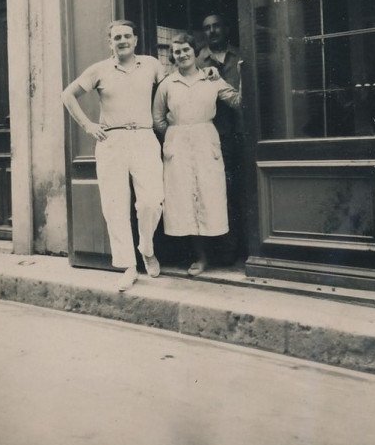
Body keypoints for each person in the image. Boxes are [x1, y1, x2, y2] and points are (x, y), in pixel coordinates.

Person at [61, 20, 165, 292]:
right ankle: (129, 266)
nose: (122, 41)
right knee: (115, 206)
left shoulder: (152, 64)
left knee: (151, 202)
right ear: (110, 42)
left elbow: (170, 89)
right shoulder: (99, 70)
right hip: (112, 140)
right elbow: (68, 95)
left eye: (127, 36)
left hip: (144, 136)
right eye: (116, 37)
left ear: (135, 39)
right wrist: (88, 126)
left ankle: (146, 246)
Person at [153, 31, 242, 276]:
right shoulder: (167, 84)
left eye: (186, 50)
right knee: (184, 200)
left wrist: (245, 73)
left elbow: (237, 101)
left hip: (206, 142)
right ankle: (200, 257)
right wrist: (173, 138)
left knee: (210, 197)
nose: (181, 55)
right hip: (178, 144)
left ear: (195, 52)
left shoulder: (210, 79)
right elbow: (158, 119)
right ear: (172, 55)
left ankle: (222, 255)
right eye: (177, 51)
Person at [196, 14, 245, 265]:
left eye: (217, 26)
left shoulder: (242, 56)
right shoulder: (195, 62)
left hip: (243, 135)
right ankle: (223, 253)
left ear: (226, 28)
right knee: (216, 194)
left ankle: (243, 249)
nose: (213, 31)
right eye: (207, 28)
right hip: (213, 140)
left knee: (241, 192)